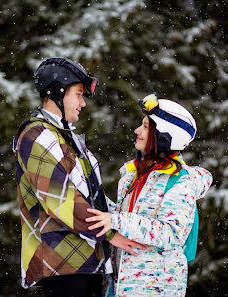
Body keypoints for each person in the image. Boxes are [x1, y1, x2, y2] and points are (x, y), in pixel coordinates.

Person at [12, 58, 145, 297]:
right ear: (57, 93)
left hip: (88, 262)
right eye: (78, 94)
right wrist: (112, 233)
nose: (83, 103)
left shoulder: (63, 137)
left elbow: (93, 198)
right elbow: (62, 200)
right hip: (61, 264)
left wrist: (126, 221)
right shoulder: (37, 136)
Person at [86, 93, 212, 296]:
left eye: (145, 127)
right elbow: (122, 218)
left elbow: (171, 234)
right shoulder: (132, 176)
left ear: (164, 135)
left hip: (156, 288)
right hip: (122, 284)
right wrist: (87, 195)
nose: (137, 131)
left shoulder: (180, 181)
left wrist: (117, 220)